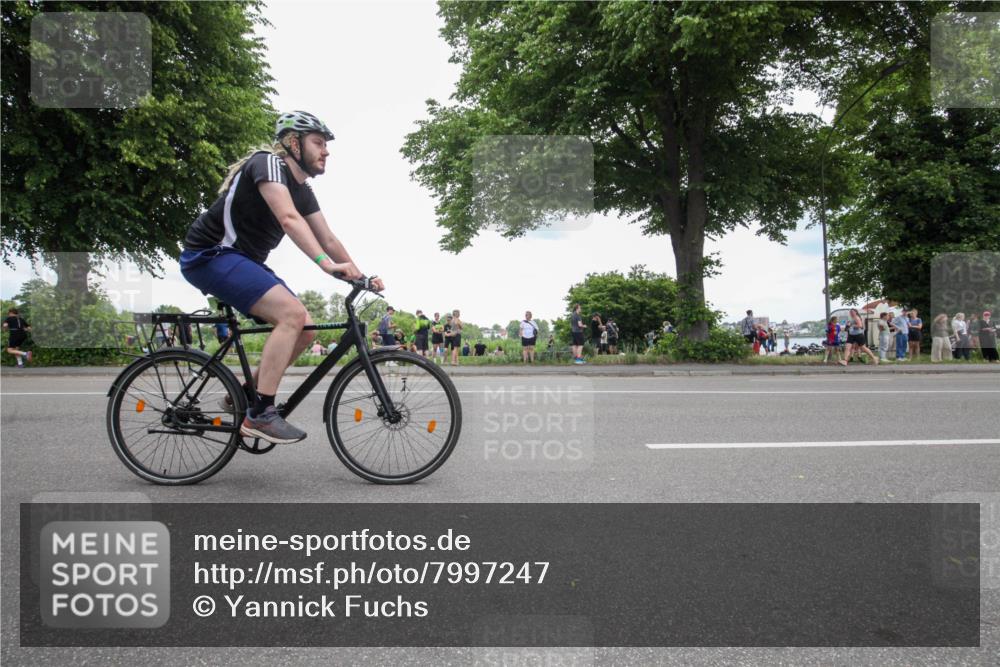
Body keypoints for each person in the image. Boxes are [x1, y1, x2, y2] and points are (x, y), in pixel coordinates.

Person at [179, 110, 382, 444]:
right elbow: (289, 219)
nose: (326, 151)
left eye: (326, 145)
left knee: (307, 328)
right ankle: (260, 414)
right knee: (291, 314)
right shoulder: (267, 164)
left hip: (242, 260)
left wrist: (360, 276)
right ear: (293, 143)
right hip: (210, 254)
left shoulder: (303, 191)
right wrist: (324, 265)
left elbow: (328, 238)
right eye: (318, 142)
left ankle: (243, 395)